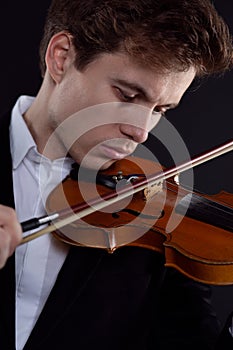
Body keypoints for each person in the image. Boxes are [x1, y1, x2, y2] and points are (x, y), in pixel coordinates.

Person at [0, 1, 232, 349]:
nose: (141, 132)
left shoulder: (157, 222)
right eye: (127, 95)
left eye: (161, 110)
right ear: (61, 57)